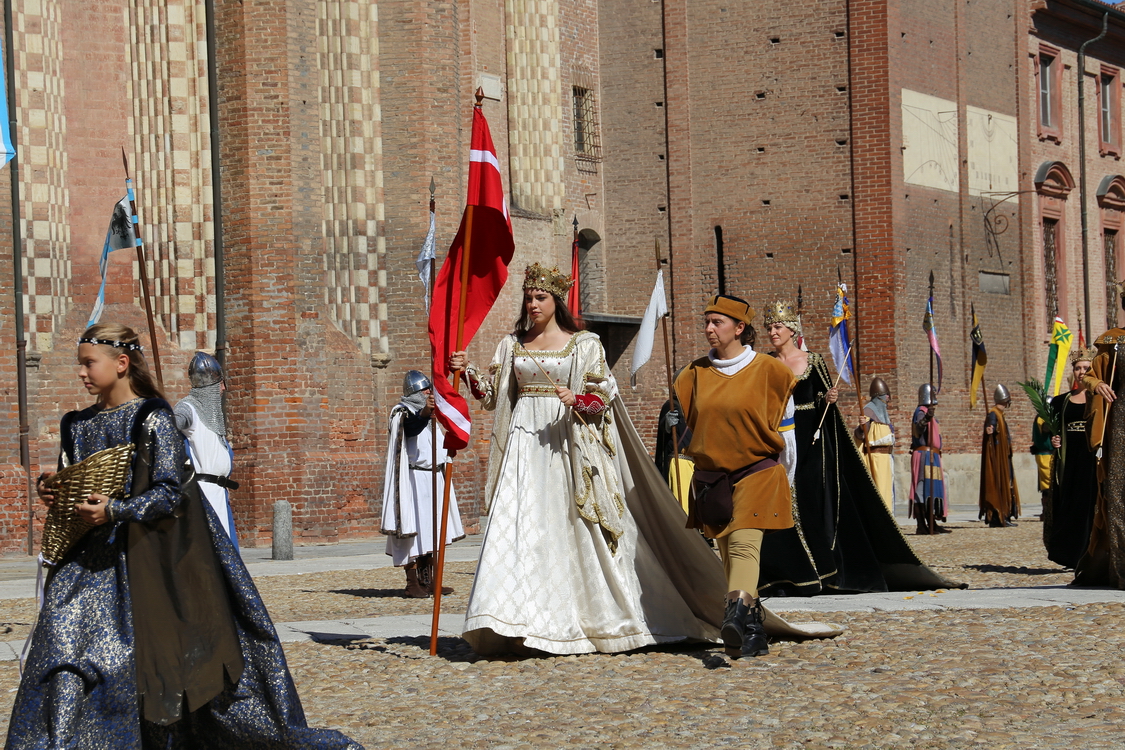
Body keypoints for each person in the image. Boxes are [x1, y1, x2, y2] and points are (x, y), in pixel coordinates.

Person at [8, 323, 362, 750]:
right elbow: (75, 477)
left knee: (137, 662)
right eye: (80, 364)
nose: (81, 373)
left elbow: (169, 492)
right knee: (62, 654)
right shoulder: (75, 423)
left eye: (88, 363)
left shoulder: (154, 418)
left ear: (121, 364)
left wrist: (116, 509)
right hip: (83, 565)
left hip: (147, 561)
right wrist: (55, 487)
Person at [451, 264, 726, 656]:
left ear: (556, 301)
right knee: (516, 527)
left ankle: (587, 618)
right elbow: (491, 395)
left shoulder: (584, 344)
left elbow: (601, 401)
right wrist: (466, 373)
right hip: (523, 447)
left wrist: (575, 399)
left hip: (567, 446)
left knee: (568, 527)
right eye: (529, 297)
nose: (532, 304)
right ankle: (509, 620)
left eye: (540, 297)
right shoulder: (512, 344)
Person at [756, 300, 960, 596]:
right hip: (777, 440)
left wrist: (829, 399)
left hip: (811, 444)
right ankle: (784, 572)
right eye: (770, 327)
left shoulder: (813, 362)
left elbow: (825, 412)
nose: (772, 332)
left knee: (810, 504)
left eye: (777, 327)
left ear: (792, 329)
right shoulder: (764, 363)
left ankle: (818, 570)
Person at [673, 295, 796, 656]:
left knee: (743, 544)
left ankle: (733, 614)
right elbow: (693, 428)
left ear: (740, 328)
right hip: (713, 478)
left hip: (759, 471)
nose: (709, 329)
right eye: (707, 322)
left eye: (717, 323)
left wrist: (787, 479)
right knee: (728, 553)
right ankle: (753, 630)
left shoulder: (772, 372)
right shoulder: (693, 374)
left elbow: (787, 433)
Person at [381, 369, 464, 597]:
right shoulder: (402, 412)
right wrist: (426, 412)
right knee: (414, 530)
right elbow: (411, 428)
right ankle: (412, 584)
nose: (429, 392)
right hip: (413, 480)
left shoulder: (430, 415)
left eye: (430, 389)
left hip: (434, 476)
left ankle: (430, 582)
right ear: (414, 392)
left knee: (432, 530)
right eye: (425, 389)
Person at [1075, 313, 1125, 588]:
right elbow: (1091, 376)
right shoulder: (1115, 341)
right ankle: (1122, 569)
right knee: (1118, 496)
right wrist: (1098, 384)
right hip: (1121, 426)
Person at [175, 351, 239, 548]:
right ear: (212, 384)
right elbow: (170, 423)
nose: (223, 388)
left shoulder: (211, 416)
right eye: (221, 383)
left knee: (227, 553)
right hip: (203, 493)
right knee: (211, 552)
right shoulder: (189, 408)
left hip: (219, 491)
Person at [1044, 349, 1098, 568]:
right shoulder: (1060, 401)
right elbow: (1053, 429)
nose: (1081, 372)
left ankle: (1091, 552)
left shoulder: (1100, 399)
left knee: (1089, 504)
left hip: (1091, 458)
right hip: (1068, 461)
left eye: (1086, 368)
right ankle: (1070, 554)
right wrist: (1054, 439)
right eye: (1077, 368)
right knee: (1069, 503)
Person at [979, 383, 1021, 528]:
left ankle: (1005, 514)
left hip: (1004, 455)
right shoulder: (993, 414)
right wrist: (989, 430)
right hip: (997, 456)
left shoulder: (999, 414)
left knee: (1007, 482)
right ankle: (998, 516)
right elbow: (990, 432)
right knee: (999, 484)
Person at [911, 383, 950, 534]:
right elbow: (918, 429)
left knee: (932, 491)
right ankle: (921, 525)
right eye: (933, 394)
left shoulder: (928, 412)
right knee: (921, 490)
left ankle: (932, 522)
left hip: (932, 455)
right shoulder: (921, 412)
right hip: (923, 455)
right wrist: (927, 418)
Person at [856, 377, 896, 511]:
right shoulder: (868, 411)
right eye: (886, 396)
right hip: (875, 460)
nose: (888, 399)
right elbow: (860, 433)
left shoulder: (883, 414)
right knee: (879, 494)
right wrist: (862, 426)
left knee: (887, 493)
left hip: (886, 459)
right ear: (879, 397)